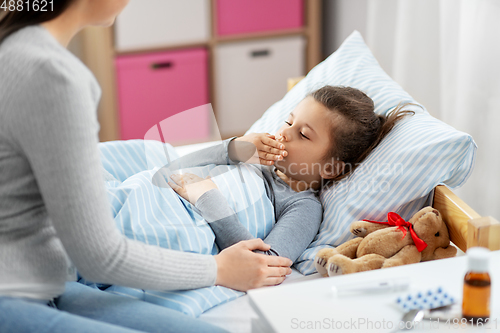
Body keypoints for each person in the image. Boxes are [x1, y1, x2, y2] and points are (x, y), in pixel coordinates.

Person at [0, 1, 293, 332]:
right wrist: (218, 269)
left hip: (51, 281)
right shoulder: (51, 75)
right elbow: (100, 256)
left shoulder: (19, 50)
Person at [167, 86, 413, 262]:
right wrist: (234, 147)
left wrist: (207, 198)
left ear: (331, 168)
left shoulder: (303, 206)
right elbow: (174, 170)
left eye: (304, 134)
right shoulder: (252, 160)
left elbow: (265, 263)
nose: (284, 134)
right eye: (288, 122)